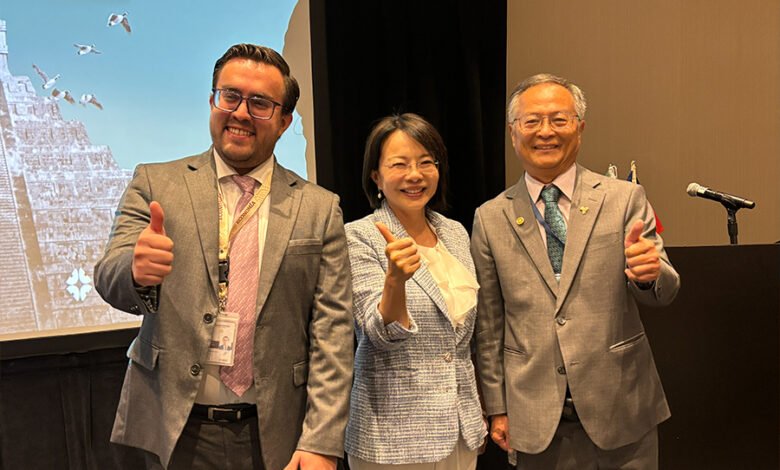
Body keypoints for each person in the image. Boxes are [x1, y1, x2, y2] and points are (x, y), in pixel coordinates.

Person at [94, 44, 353, 470]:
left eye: (260, 103)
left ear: (285, 121)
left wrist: (322, 442)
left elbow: (333, 333)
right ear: (212, 101)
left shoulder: (319, 208)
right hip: (172, 427)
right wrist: (135, 271)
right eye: (230, 96)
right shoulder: (156, 183)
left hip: (277, 433)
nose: (241, 113)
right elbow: (109, 274)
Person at [471, 74, 680, 469]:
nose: (545, 132)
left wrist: (649, 275)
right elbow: (489, 324)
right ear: (513, 132)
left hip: (623, 409)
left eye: (558, 120)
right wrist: (496, 406)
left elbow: (665, 289)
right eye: (532, 121)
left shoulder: (623, 198)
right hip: (535, 417)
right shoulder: (490, 217)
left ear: (580, 127)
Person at [344, 113, 487, 470]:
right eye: (399, 164)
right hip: (392, 434)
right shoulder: (358, 236)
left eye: (426, 162)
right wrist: (395, 280)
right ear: (376, 176)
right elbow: (379, 335)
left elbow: (462, 340)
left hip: (460, 428)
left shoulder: (455, 233)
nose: (415, 175)